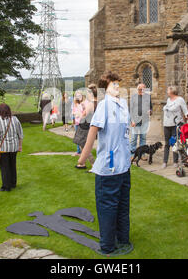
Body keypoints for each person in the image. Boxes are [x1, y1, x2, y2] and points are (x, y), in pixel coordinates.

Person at [77, 70, 133, 256]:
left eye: (118, 83)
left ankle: (111, 245)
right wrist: (83, 157)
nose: (118, 87)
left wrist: (81, 159)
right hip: (118, 166)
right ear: (105, 87)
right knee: (118, 206)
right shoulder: (112, 105)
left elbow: (93, 133)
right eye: (114, 84)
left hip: (115, 168)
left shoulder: (117, 104)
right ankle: (120, 240)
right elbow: (94, 132)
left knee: (111, 207)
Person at [0, 103, 24, 192]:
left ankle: (6, 186)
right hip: (13, 147)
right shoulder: (15, 119)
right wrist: (20, 145)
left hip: (2, 148)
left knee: (4, 167)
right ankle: (13, 183)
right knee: (12, 165)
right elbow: (20, 133)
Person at [162, 86, 188, 169]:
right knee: (167, 143)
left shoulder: (180, 100)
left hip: (176, 124)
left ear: (172, 92)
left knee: (175, 143)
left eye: (168, 90)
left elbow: (185, 110)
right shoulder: (168, 100)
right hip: (166, 124)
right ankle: (165, 161)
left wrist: (187, 115)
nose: (167, 92)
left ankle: (175, 161)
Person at [74, 84, 98, 170]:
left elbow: (84, 115)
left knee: (84, 146)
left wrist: (78, 114)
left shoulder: (91, 104)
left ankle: (94, 165)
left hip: (85, 126)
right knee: (82, 145)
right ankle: (82, 163)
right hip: (90, 126)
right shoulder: (99, 102)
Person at [129, 83, 152, 157]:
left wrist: (150, 111)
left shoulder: (148, 97)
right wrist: (131, 120)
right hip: (135, 121)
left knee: (143, 138)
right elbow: (130, 110)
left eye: (143, 89)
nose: (141, 90)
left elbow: (151, 108)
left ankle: (142, 155)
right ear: (137, 89)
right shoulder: (133, 97)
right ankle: (132, 155)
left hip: (145, 121)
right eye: (140, 89)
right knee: (133, 139)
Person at [72, 91, 84, 156]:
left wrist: (80, 114)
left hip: (82, 123)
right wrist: (75, 114)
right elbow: (73, 112)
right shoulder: (75, 105)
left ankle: (83, 152)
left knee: (82, 137)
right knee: (77, 137)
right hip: (77, 123)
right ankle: (78, 151)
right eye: (77, 96)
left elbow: (84, 113)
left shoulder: (83, 104)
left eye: (80, 96)